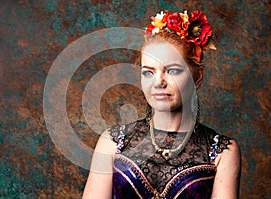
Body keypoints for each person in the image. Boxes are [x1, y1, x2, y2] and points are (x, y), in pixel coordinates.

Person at [83, 10, 241, 199]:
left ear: (197, 78)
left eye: (172, 71)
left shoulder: (222, 151)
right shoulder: (112, 141)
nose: (158, 82)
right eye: (149, 72)